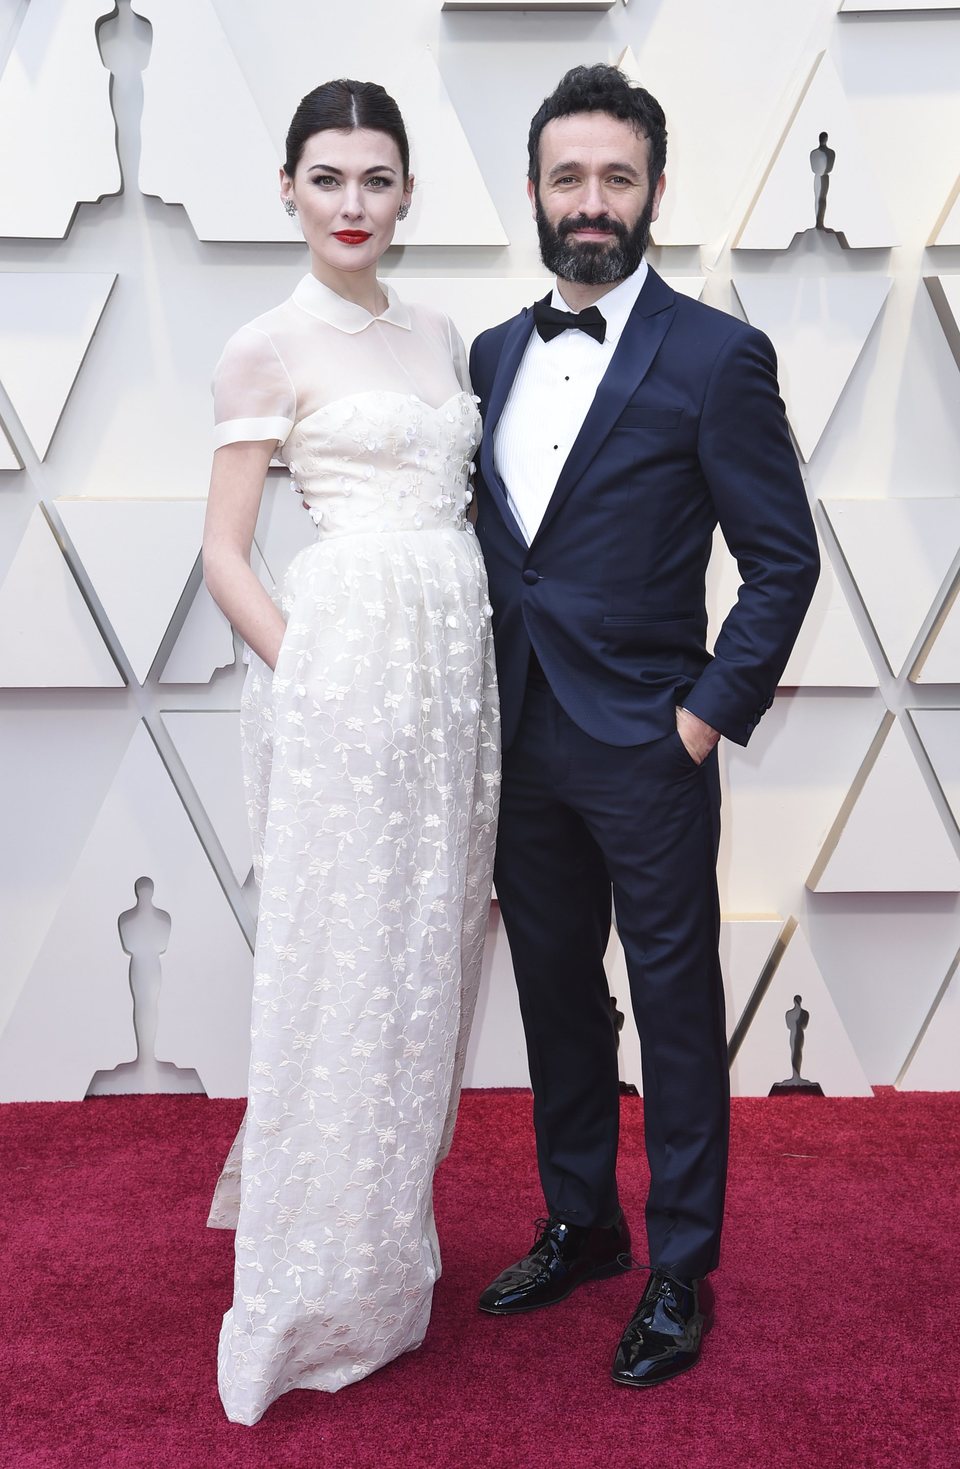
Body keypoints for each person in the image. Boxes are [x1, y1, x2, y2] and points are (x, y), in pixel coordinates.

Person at [470, 64, 819, 1387]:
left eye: (619, 176)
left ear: (655, 190)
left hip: (649, 746)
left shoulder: (718, 355)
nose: (593, 200)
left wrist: (702, 718)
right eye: (570, 176)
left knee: (674, 1007)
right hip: (522, 737)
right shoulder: (494, 355)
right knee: (559, 993)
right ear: (535, 193)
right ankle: (584, 1222)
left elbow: (783, 560)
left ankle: (680, 1267)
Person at [201, 79, 500, 1426]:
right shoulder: (265, 345)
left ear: (408, 194)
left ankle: (390, 1250)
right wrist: (315, 681)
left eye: (378, 179)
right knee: (348, 962)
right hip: (352, 682)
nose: (354, 205)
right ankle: (314, 1276)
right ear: (287, 190)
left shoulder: (442, 331)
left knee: (431, 954)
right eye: (328, 178)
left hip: (457, 687)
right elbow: (223, 552)